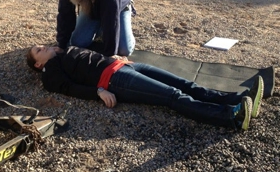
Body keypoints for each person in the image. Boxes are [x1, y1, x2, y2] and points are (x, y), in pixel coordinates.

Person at [27, 45, 264, 131]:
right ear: (38, 64)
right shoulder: (50, 73)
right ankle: (230, 117)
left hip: (124, 65)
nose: (44, 47)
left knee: (184, 83)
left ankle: (236, 99)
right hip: (115, 80)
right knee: (173, 96)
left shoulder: (61, 51)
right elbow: (69, 88)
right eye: (39, 50)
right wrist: (98, 92)